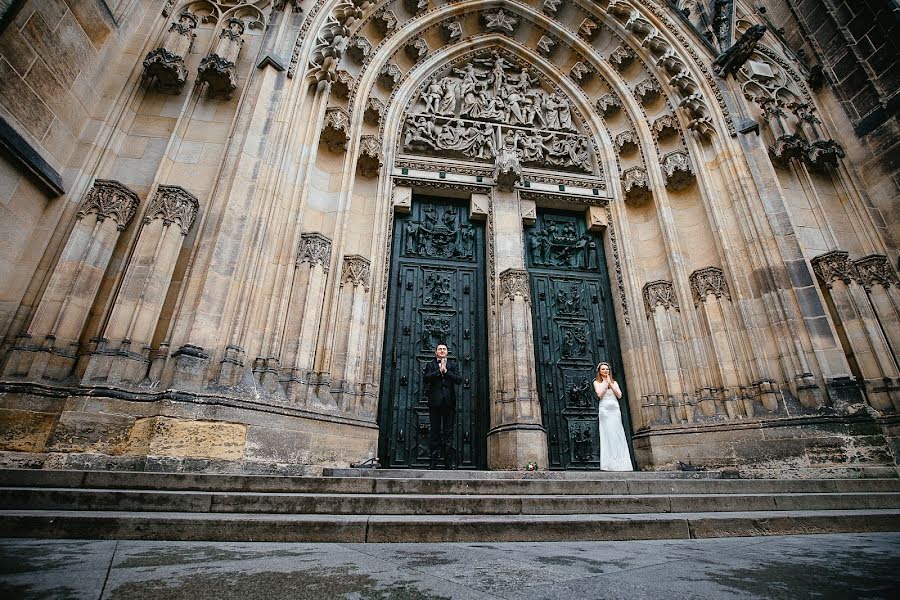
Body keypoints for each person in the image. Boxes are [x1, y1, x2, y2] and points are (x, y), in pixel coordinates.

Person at [423, 343, 462, 468]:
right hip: (434, 403)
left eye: (444, 349)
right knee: (434, 433)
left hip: (449, 404)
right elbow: (426, 378)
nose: (442, 351)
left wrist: (447, 371)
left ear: (447, 352)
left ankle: (448, 464)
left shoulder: (453, 365)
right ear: (436, 352)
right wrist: (438, 372)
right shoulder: (431, 365)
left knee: (448, 433)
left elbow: (458, 379)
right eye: (440, 349)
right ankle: (433, 463)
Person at [593, 362, 633, 471]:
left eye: (607, 369)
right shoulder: (596, 382)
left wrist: (611, 384)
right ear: (599, 372)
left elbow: (619, 395)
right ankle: (609, 463)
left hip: (615, 409)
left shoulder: (614, 382)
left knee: (617, 432)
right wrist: (606, 384)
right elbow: (599, 394)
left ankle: (622, 463)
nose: (605, 371)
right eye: (603, 369)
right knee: (607, 433)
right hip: (605, 410)